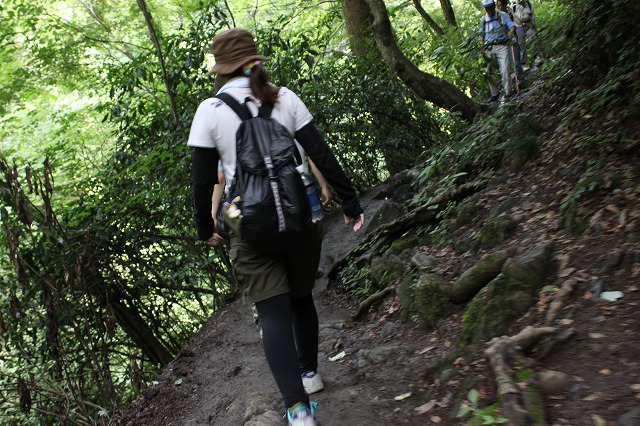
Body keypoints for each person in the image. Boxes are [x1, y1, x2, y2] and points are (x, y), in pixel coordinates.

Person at [188, 28, 365, 426]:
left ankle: (299, 411)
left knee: (272, 313)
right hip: (300, 215)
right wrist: (350, 202)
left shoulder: (210, 111)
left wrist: (206, 227)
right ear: (256, 61)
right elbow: (319, 150)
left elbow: (202, 181)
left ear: (221, 70)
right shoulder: (285, 98)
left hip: (249, 227)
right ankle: (311, 374)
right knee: (302, 297)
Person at [479, 0, 517, 102]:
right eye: (487, 8)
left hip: (502, 45)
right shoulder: (483, 19)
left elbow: (511, 25)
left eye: (490, 7)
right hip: (489, 48)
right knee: (488, 72)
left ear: (493, 6)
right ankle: (494, 94)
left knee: (505, 69)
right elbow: (481, 34)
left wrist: (511, 32)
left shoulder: (502, 15)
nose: (489, 10)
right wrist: (482, 46)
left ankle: (508, 93)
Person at [510, 0, 536, 72]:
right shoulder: (513, 6)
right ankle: (524, 64)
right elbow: (512, 19)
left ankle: (537, 58)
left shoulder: (527, 3)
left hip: (528, 24)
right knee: (522, 45)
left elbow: (529, 15)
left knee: (533, 39)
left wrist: (519, 19)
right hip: (518, 27)